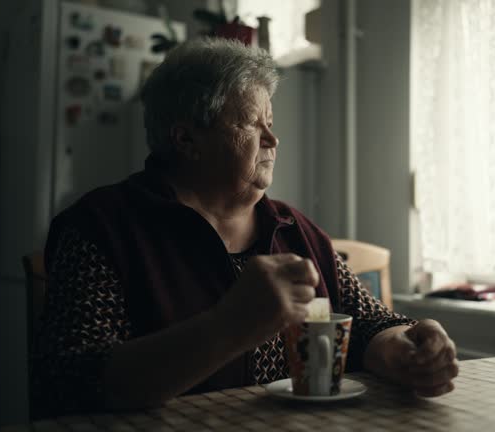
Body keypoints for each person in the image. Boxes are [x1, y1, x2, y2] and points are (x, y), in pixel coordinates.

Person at [32, 38, 459, 417]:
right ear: (185, 140)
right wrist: (230, 325)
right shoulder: (102, 228)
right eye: (252, 124)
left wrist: (404, 346)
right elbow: (74, 383)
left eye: (270, 122)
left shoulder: (295, 231)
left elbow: (365, 323)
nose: (272, 139)